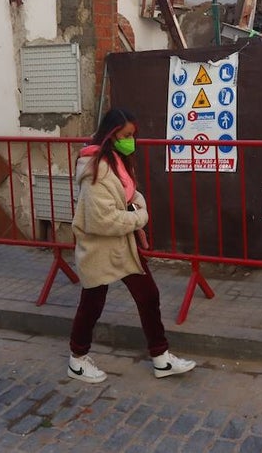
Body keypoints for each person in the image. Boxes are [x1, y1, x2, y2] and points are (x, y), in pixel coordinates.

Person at [66, 108, 195, 383]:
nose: (130, 141)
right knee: (92, 304)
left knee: (148, 296)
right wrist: (140, 218)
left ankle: (161, 358)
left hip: (123, 246)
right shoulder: (94, 168)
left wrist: (137, 203)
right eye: (125, 135)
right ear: (111, 134)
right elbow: (102, 220)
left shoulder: (116, 160)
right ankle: (77, 360)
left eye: (132, 135)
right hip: (99, 248)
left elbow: (128, 192)